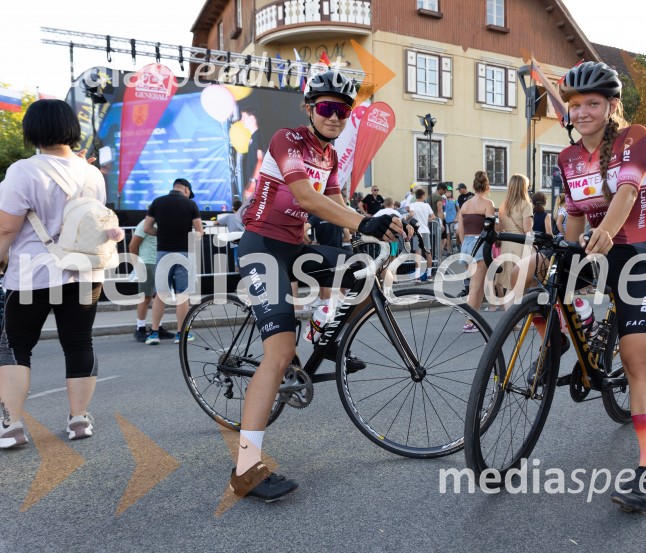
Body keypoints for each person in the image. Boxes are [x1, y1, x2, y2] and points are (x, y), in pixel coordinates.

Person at [232, 70, 404, 502]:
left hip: (297, 248)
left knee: (362, 268)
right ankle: (246, 469)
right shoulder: (287, 140)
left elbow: (334, 207)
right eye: (327, 107)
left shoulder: (329, 157)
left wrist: (371, 234)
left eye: (343, 110)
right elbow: (307, 199)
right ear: (310, 108)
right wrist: (366, 220)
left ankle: (322, 328)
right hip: (262, 248)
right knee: (279, 354)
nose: (335, 116)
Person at [512, 62, 646, 512]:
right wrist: (564, 244)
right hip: (594, 246)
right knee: (540, 281)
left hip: (635, 248)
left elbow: (627, 193)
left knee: (639, 362)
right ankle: (566, 337)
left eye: (592, 104)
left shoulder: (634, 136)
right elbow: (577, 213)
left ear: (611, 105)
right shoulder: (567, 157)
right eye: (575, 105)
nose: (581, 113)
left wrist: (607, 233)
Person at [0, 99, 124, 448]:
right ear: (71, 128)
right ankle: (79, 420)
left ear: (32, 131)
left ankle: (11, 426)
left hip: (32, 275)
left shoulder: (24, 171)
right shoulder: (92, 174)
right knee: (79, 342)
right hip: (84, 272)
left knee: (15, 346)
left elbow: (6, 229)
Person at [143, 178, 204, 345]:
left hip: (162, 252)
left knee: (160, 294)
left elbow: (146, 228)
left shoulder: (157, 202)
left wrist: (161, 234)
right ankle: (181, 334)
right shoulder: (190, 205)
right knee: (182, 295)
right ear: (185, 190)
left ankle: (154, 333)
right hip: (183, 253)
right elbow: (199, 231)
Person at [457, 170, 496, 332]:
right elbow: (490, 228)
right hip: (480, 244)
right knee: (475, 286)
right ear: (487, 186)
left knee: (477, 286)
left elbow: (460, 231)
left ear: (473, 185)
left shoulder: (465, 205)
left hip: (467, 244)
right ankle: (469, 321)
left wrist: (464, 244)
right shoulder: (488, 204)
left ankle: (475, 320)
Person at [128, 218, 177, 342]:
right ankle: (140, 328)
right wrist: (137, 265)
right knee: (146, 297)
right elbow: (133, 246)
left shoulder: (165, 224)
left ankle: (157, 327)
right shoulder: (144, 224)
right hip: (147, 263)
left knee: (160, 297)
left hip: (162, 263)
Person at [495, 174, 533, 306]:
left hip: (506, 245)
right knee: (520, 285)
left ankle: (510, 322)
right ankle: (516, 320)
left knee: (509, 285)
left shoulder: (503, 205)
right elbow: (527, 229)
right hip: (521, 245)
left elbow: (499, 227)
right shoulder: (525, 204)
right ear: (523, 187)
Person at [406, 188, 436, 281]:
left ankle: (418, 276)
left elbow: (411, 214)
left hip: (417, 231)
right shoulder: (426, 205)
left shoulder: (413, 204)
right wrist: (427, 220)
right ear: (423, 196)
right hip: (425, 230)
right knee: (428, 252)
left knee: (418, 254)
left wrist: (406, 220)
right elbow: (433, 217)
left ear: (416, 196)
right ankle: (429, 275)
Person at [240, 108, 265, 199]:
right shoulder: (253, 137)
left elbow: (260, 160)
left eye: (243, 117)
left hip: (257, 187)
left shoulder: (258, 135)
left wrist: (253, 182)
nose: (241, 120)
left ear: (252, 118)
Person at [442, 189, 458, 255]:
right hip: (447, 221)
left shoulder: (454, 201)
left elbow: (458, 210)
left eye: (450, 192)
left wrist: (456, 218)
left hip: (454, 220)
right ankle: (449, 250)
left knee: (456, 234)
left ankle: (456, 247)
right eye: (447, 192)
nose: (448, 193)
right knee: (448, 236)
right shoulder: (443, 201)